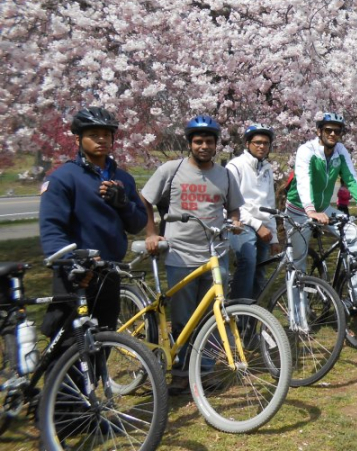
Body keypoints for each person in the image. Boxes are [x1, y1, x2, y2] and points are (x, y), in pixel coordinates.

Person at [140, 115, 243, 393]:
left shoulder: (224, 174)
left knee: (214, 315)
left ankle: (206, 371)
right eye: (198, 141)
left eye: (209, 141)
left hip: (215, 253)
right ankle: (181, 371)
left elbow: (234, 208)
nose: (204, 146)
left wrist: (234, 221)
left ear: (216, 144)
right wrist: (151, 233)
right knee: (184, 318)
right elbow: (146, 199)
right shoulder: (171, 170)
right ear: (189, 143)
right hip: (180, 255)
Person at [39, 107, 148, 339]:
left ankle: (97, 376)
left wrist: (124, 204)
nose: (102, 139)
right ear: (78, 139)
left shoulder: (123, 179)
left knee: (104, 338)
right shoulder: (64, 177)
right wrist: (71, 265)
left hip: (109, 270)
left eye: (107, 134)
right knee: (69, 344)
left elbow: (138, 224)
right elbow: (51, 228)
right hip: (77, 273)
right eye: (94, 134)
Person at [284, 112, 357, 271]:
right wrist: (311, 210)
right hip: (299, 211)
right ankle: (297, 295)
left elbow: (351, 177)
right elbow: (303, 181)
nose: (333, 134)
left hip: (324, 209)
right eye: (328, 130)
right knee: (297, 264)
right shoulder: (306, 150)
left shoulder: (340, 150)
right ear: (319, 131)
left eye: (337, 131)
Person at [226, 123, 278, 302]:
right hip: (242, 222)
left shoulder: (267, 169)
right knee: (248, 262)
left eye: (265, 143)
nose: (261, 146)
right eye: (257, 142)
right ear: (247, 144)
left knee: (260, 269)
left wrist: (275, 237)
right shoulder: (235, 166)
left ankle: (251, 317)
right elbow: (231, 202)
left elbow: (269, 202)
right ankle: (237, 314)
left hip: (262, 224)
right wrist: (257, 225)